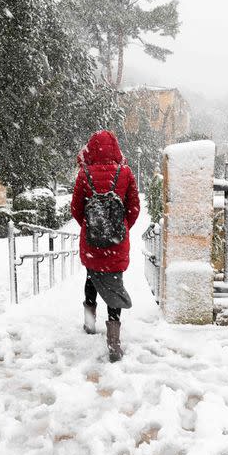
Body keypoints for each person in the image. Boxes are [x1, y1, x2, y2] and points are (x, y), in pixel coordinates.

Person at [71, 130, 140, 362]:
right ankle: (113, 341)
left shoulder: (84, 174)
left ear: (91, 148)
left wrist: (91, 227)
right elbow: (134, 208)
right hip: (116, 244)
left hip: (91, 243)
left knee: (91, 279)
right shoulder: (125, 172)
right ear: (115, 149)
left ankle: (89, 324)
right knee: (115, 286)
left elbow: (76, 209)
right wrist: (118, 229)